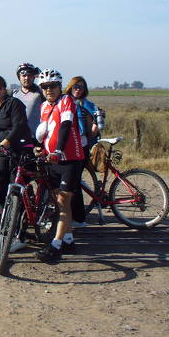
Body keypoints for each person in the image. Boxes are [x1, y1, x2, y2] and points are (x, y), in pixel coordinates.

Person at [34, 69, 85, 263]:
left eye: (53, 86)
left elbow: (65, 126)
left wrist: (58, 150)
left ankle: (55, 245)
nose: (49, 90)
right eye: (45, 87)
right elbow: (46, 132)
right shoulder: (43, 107)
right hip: (52, 161)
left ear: (60, 86)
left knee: (63, 201)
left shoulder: (67, 101)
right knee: (60, 202)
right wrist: (40, 149)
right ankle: (69, 240)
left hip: (69, 159)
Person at [63, 76, 104, 227]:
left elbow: (92, 132)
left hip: (81, 145)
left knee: (74, 183)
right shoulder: (64, 101)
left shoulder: (88, 104)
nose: (78, 89)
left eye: (81, 87)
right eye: (75, 87)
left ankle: (78, 218)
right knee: (71, 182)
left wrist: (96, 124)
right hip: (67, 145)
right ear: (70, 87)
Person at [0, 74, 32, 206]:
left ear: (4, 88)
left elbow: (19, 126)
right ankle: (5, 214)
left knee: (16, 187)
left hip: (19, 148)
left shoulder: (14, 103)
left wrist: (6, 142)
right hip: (2, 150)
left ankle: (19, 218)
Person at [12, 63, 44, 140]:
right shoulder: (14, 94)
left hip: (35, 137)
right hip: (16, 136)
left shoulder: (40, 93)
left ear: (34, 77)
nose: (26, 78)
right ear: (19, 77)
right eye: (23, 76)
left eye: (30, 75)